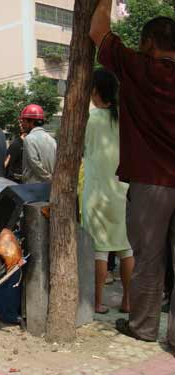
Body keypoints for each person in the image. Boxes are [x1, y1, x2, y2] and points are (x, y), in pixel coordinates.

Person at [90, 3, 175, 344]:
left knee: (149, 260)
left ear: (150, 44)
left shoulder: (140, 67)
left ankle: (143, 327)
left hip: (152, 181)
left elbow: (98, 30)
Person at [82, 68, 134, 315]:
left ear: (94, 91)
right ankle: (127, 302)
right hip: (121, 190)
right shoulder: (124, 119)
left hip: (96, 193)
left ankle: (99, 302)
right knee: (125, 248)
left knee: (100, 249)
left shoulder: (90, 120)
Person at [19, 104, 56, 184]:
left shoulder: (29, 139)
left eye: (24, 121)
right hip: (48, 187)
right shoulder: (52, 140)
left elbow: (35, 163)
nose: (22, 124)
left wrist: (48, 178)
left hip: (33, 188)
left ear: (31, 122)